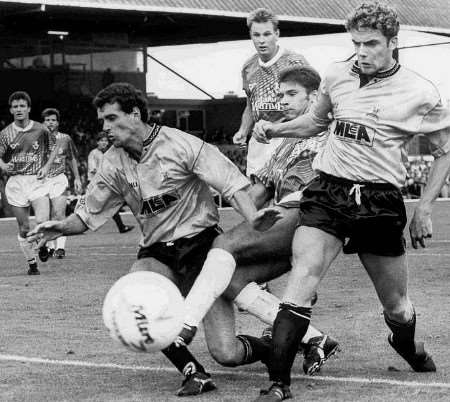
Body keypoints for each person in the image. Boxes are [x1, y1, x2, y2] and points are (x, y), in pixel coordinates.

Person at [28, 82, 281, 397]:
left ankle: (272, 348)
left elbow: (231, 185)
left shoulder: (181, 143)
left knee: (226, 353)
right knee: (138, 296)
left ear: (134, 114)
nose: (104, 127)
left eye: (110, 118)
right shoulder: (112, 162)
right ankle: (193, 372)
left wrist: (253, 218)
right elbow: (87, 216)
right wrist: (60, 227)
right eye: (101, 121)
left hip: (202, 248)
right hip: (157, 252)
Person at [252, 2, 450, 400]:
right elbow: (315, 122)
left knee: (397, 306)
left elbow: (445, 150)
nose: (361, 51)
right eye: (356, 43)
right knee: (300, 281)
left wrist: (424, 207)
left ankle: (406, 344)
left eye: (371, 43)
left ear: (394, 43)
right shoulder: (337, 74)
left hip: (379, 201)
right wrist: (276, 129)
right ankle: (279, 384)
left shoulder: (421, 92)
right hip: (328, 192)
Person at [180, 66, 339, 376]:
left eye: (292, 94)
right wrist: (215, 206)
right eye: (280, 95)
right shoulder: (284, 141)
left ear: (316, 96)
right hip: (286, 217)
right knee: (231, 277)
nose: (283, 101)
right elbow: (259, 190)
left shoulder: (333, 132)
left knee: (223, 245)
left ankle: (185, 323)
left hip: (312, 214)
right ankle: (316, 339)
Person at [233, 8, 309, 177]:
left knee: (285, 194)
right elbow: (250, 104)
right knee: (256, 197)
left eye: (267, 34)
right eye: (256, 35)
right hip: (259, 142)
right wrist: (243, 131)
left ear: (277, 34)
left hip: (288, 137)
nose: (261, 40)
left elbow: (310, 101)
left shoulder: (294, 62)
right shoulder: (248, 67)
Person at [0, 91, 56, 275]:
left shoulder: (41, 129)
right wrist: (3, 165)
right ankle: (32, 264)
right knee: (24, 228)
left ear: (29, 108)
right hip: (16, 183)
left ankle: (42, 246)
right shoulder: (6, 134)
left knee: (42, 221)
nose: (19, 109)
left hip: (37, 181)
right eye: (15, 106)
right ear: (11, 110)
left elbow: (55, 148)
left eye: (22, 106)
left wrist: (47, 167)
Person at [42, 108, 82, 259]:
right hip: (41, 181)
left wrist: (77, 178)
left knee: (59, 214)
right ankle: (49, 246)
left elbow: (71, 158)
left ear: (57, 122)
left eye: (53, 120)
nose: (50, 123)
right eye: (47, 120)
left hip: (59, 179)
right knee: (45, 216)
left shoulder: (65, 139)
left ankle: (60, 248)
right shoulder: (37, 139)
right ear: (43, 122)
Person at [87, 131, 134, 234]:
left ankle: (121, 227)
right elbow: (93, 169)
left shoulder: (107, 153)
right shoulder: (93, 153)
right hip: (97, 184)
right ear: (97, 142)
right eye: (101, 141)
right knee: (94, 206)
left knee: (109, 205)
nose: (104, 143)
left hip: (105, 183)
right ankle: (80, 224)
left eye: (105, 141)